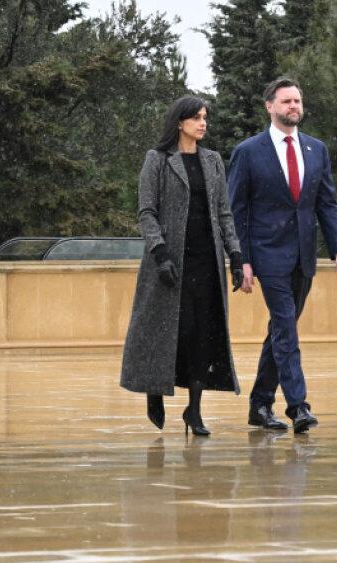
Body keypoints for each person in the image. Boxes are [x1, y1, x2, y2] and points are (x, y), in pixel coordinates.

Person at [228, 77, 337, 434]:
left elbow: (327, 204)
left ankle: (259, 405)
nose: (293, 106)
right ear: (270, 106)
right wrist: (242, 261)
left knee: (281, 331)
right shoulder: (248, 151)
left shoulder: (316, 149)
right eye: (285, 101)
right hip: (266, 255)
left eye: (297, 100)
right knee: (285, 327)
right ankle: (298, 406)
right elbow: (237, 211)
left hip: (304, 256)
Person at [121, 95, 243, 436]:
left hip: (207, 261)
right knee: (167, 331)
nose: (203, 123)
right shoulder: (157, 160)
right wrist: (159, 252)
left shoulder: (213, 161)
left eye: (205, 117)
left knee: (203, 334)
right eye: (196, 118)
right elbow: (146, 211)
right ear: (179, 122)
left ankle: (195, 411)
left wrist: (235, 254)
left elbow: (223, 212)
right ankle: (154, 389)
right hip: (170, 262)